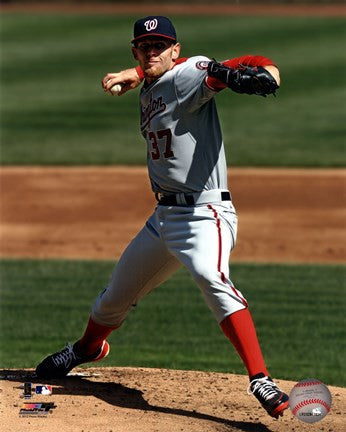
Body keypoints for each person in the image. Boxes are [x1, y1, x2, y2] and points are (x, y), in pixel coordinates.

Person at [36, 16, 289, 419]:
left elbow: (215, 69)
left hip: (205, 215)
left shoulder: (189, 73)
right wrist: (137, 73)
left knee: (212, 277)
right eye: (143, 46)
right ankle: (87, 349)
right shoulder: (154, 79)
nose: (151, 50)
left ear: (176, 48)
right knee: (112, 298)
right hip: (163, 218)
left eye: (160, 45)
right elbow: (162, 67)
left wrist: (263, 69)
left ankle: (260, 376)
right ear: (135, 51)